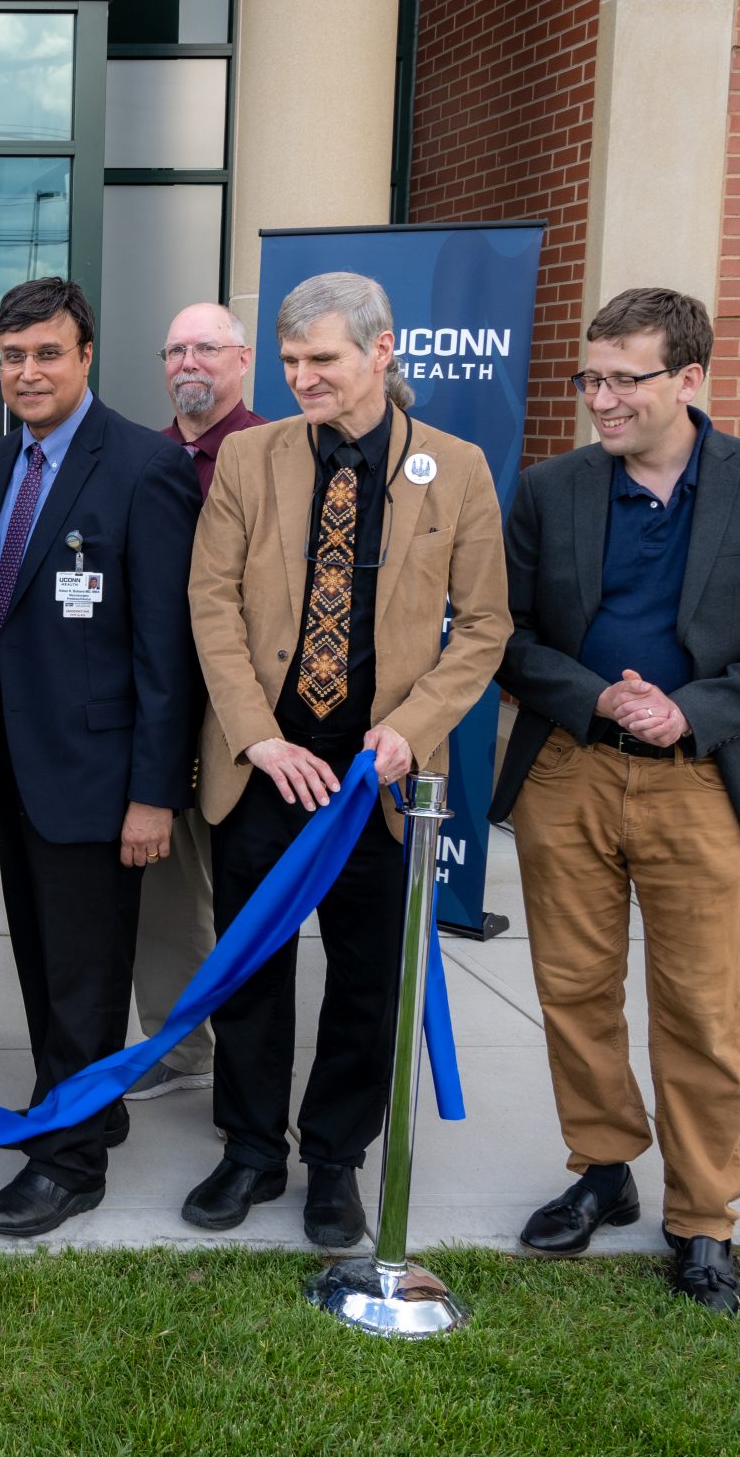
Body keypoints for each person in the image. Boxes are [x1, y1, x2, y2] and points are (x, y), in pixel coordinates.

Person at [492, 287, 740, 1313]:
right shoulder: (550, 491)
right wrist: (596, 695)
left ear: (688, 378)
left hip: (698, 783)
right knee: (574, 994)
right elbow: (503, 637)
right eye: (589, 378)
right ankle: (601, 1172)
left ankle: (702, 1221)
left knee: (698, 1008)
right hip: (569, 771)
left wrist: (687, 712)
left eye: (621, 379)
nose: (599, 399)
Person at [181, 271, 507, 1249]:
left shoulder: (455, 469)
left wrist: (413, 725)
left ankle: (333, 1160)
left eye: (319, 359)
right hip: (268, 767)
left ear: (380, 350)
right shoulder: (251, 459)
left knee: (367, 981)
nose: (301, 378)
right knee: (250, 970)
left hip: (380, 778)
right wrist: (256, 734)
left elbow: (485, 626)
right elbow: (213, 603)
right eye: (287, 361)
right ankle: (248, 1149)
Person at [0, 278, 204, 1238]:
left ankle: (73, 1164)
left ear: (86, 354)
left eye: (46, 353)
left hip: (100, 779)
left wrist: (154, 796)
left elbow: (166, 652)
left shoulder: (142, 467)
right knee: (44, 958)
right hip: (16, 765)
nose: (28, 372)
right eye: (12, 357)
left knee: (85, 973)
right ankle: (77, 1105)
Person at [128, 300, 268, 1104]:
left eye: (207, 348)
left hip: (245, 716)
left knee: (244, 890)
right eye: (176, 347)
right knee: (168, 892)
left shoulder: (278, 453)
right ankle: (180, 1046)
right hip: (159, 710)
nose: (190, 362)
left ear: (242, 359)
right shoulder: (140, 458)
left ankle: (248, 1062)